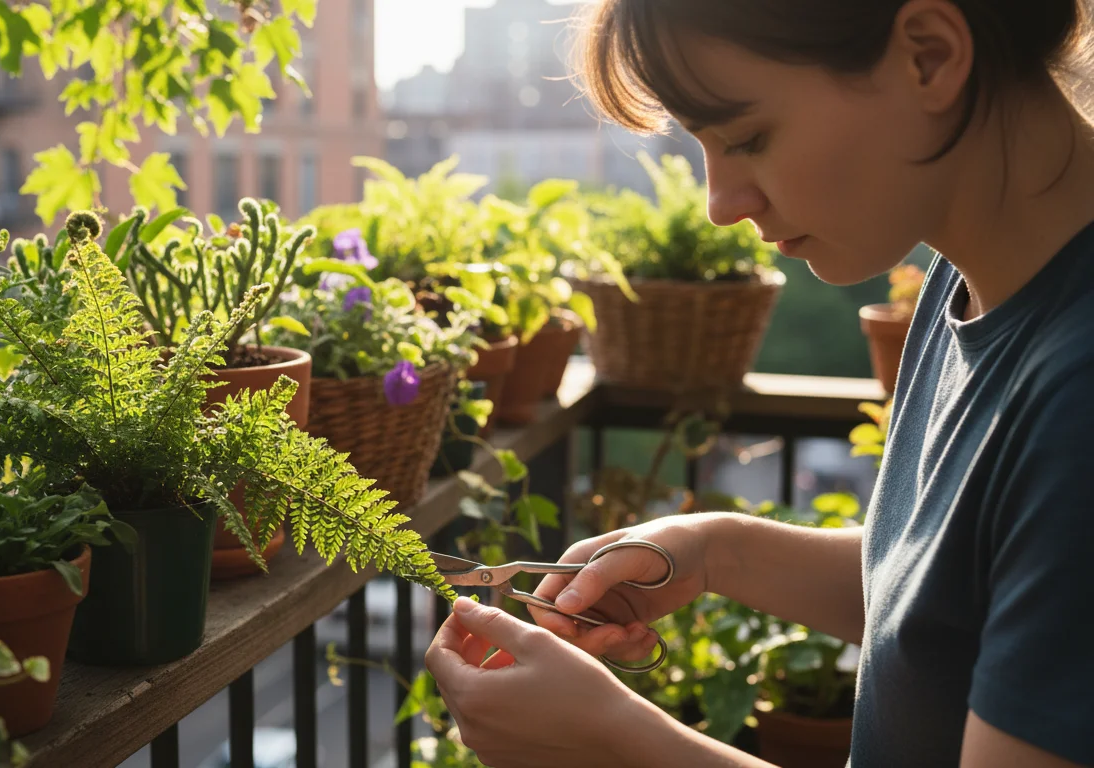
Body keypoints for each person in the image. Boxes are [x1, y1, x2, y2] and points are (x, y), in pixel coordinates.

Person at [424, 0, 1094, 766]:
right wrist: (714, 550)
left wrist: (611, 742)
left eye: (747, 138)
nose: (720, 205)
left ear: (930, 57)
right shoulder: (974, 282)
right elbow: (962, 594)